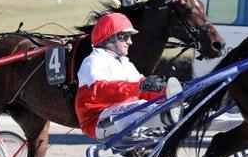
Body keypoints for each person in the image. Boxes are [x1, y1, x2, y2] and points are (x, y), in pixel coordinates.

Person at [75, 12, 181, 140]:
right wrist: (140, 86)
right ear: (109, 38)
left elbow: (143, 91)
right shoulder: (94, 60)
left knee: (166, 108)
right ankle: (156, 125)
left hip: (121, 114)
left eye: (130, 37)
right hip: (96, 119)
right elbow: (101, 91)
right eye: (124, 37)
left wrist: (166, 92)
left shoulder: (125, 63)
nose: (130, 42)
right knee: (141, 106)